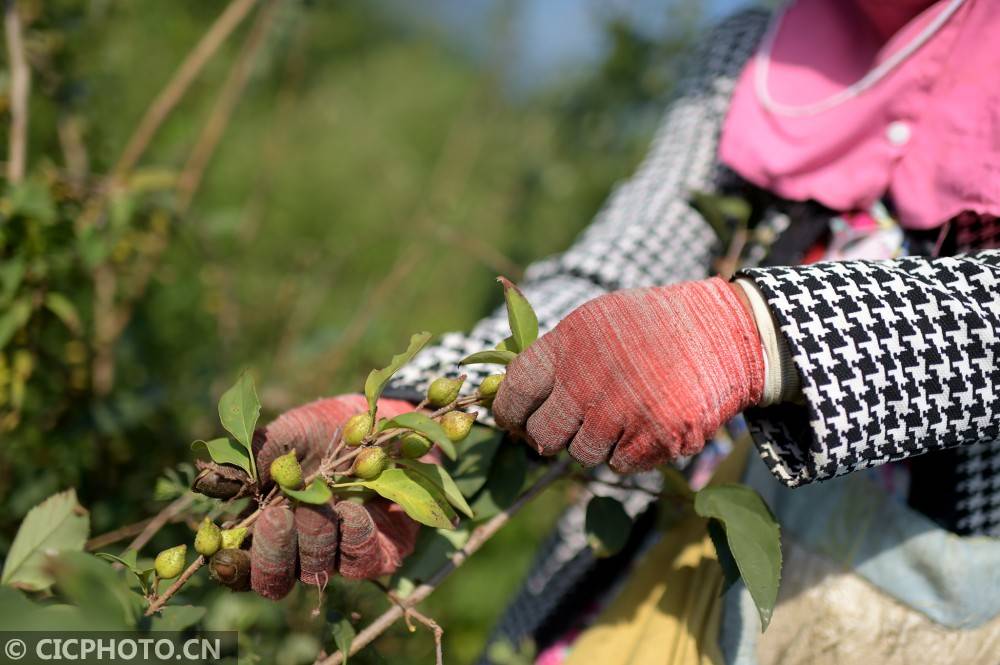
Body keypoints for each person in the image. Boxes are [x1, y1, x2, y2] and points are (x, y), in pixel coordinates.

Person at [249, 0, 1000, 662]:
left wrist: (758, 334)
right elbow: (617, 268)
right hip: (661, 570)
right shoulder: (754, 52)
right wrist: (410, 415)